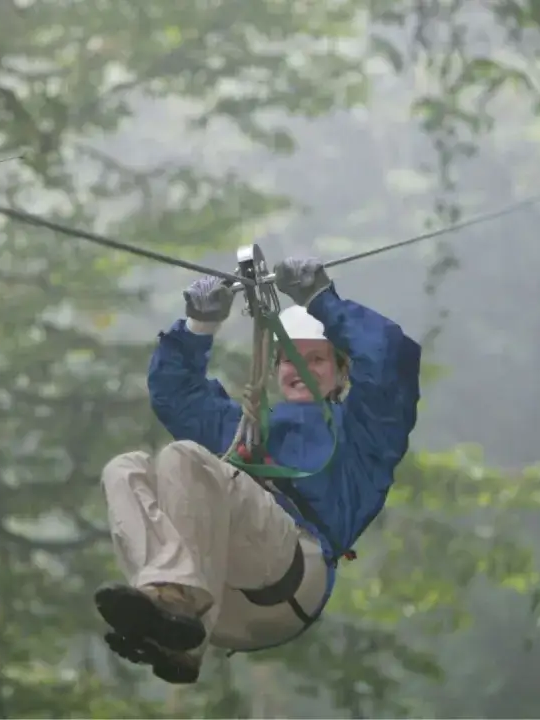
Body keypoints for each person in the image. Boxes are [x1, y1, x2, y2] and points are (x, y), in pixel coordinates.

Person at [95, 256, 422, 684]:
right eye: (288, 359)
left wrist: (321, 300)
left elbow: (388, 356)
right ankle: (170, 629)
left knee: (184, 457)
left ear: (343, 373)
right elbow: (175, 394)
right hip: (218, 600)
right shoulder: (246, 427)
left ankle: (173, 600)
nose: (297, 368)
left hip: (289, 583)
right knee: (125, 468)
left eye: (316, 360)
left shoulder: (366, 434)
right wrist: (199, 326)